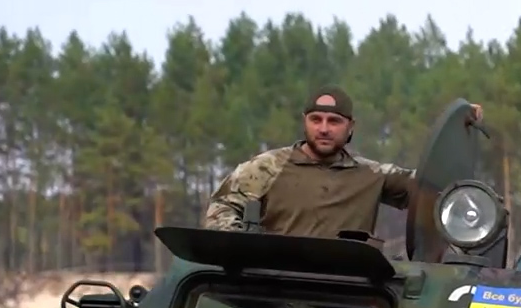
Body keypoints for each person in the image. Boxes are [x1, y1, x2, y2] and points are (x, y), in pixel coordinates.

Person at [203, 89, 483, 238]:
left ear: (350, 127)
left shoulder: (370, 175)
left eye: (334, 121)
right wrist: (246, 249)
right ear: (305, 122)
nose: (324, 129)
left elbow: (436, 188)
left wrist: (458, 127)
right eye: (316, 120)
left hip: (343, 302)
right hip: (274, 297)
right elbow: (222, 208)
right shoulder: (267, 167)